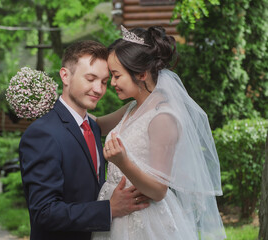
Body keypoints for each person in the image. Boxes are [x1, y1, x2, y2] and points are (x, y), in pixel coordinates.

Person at [91, 26, 226, 239]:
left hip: (142, 220)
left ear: (142, 74)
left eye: (116, 76)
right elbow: (96, 124)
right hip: (116, 212)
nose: (112, 83)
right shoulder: (133, 107)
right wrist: (59, 103)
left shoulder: (163, 118)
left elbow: (159, 190)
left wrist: (123, 161)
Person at [18, 40, 149, 240]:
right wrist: (109, 209)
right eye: (90, 78)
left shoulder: (93, 127)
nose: (99, 89)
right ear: (65, 76)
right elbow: (44, 212)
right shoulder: (42, 133)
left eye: (104, 81)